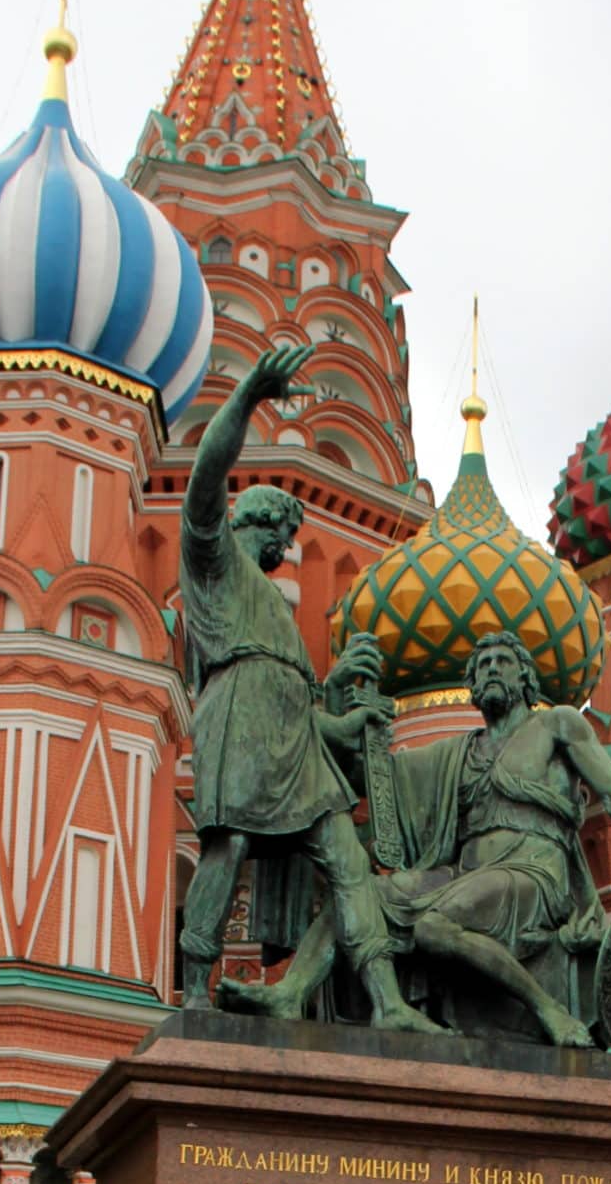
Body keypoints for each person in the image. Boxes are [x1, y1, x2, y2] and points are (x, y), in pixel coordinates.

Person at [229, 628, 611, 1047]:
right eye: (482, 666)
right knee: (361, 891)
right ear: (472, 688)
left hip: (534, 876)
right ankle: (289, 994)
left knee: (431, 927)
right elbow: (373, 780)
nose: (492, 671)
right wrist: (340, 705)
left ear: (525, 678)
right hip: (467, 874)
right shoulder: (460, 753)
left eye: (503, 662)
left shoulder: (556, 724)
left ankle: (548, 1010)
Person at [177, 338, 440, 1034]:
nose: (286, 546)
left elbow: (296, 707)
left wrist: (342, 726)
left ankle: (388, 1001)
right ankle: (194, 987)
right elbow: (206, 478)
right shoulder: (216, 564)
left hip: (295, 744)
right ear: (252, 522)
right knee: (227, 845)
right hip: (236, 721)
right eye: (280, 532)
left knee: (348, 860)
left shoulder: (280, 616)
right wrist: (248, 396)